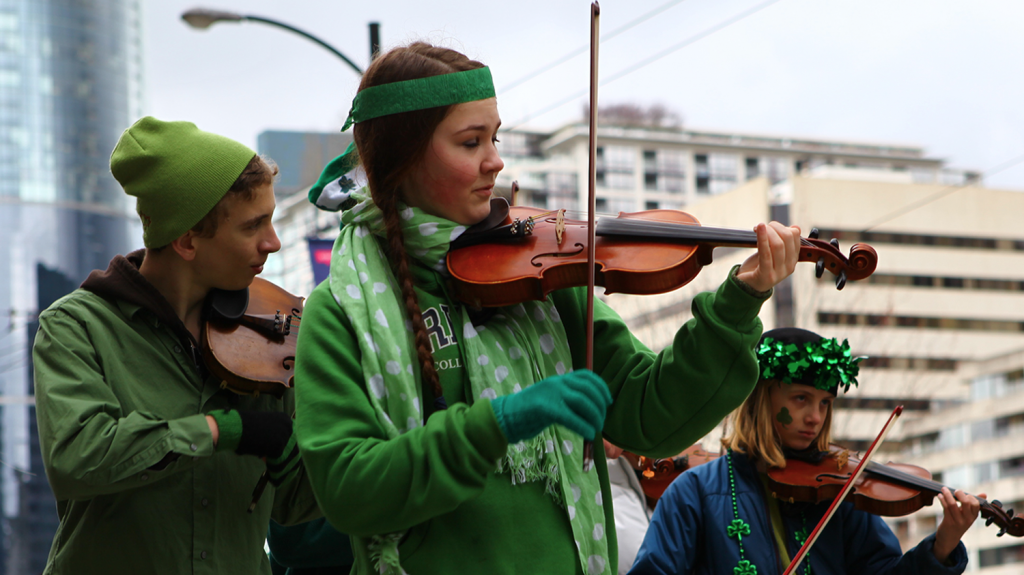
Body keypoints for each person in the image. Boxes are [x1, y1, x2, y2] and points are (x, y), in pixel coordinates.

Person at [293, 42, 802, 575]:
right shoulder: (342, 311)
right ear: (403, 157)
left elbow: (650, 414)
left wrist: (738, 302)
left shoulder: (542, 278)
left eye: (494, 137)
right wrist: (499, 422)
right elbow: (348, 488)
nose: (495, 160)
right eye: (470, 142)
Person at [33, 117, 321, 575]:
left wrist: (299, 460)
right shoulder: (77, 326)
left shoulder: (275, 333)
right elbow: (77, 458)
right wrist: (216, 430)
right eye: (253, 226)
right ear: (188, 239)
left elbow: (294, 506)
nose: (274, 242)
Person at [629, 327, 982, 575]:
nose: (815, 417)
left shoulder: (839, 494)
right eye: (801, 399)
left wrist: (942, 545)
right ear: (760, 399)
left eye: (825, 403)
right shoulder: (694, 493)